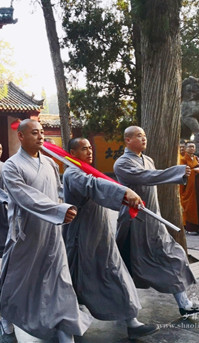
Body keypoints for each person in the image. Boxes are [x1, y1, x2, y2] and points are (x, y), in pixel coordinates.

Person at [0, 119, 92, 342]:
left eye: (42, 133)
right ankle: (7, 316)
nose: (41, 137)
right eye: (34, 133)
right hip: (26, 234)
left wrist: (64, 210)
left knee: (60, 281)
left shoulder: (50, 164)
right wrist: (58, 210)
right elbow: (26, 197)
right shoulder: (11, 166)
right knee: (17, 280)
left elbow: (58, 193)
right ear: (21, 136)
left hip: (52, 232)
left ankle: (64, 331)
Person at [62, 138, 158, 340]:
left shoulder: (87, 170)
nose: (89, 151)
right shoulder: (73, 173)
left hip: (101, 234)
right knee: (74, 277)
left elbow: (99, 183)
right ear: (72, 152)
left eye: (90, 147)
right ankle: (67, 321)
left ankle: (131, 321)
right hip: (82, 237)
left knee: (115, 272)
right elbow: (93, 185)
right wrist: (124, 191)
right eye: (83, 148)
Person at [114, 126, 199, 318]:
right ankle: (125, 311)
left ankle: (185, 304)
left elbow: (153, 175)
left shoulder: (147, 160)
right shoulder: (122, 164)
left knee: (174, 257)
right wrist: (176, 172)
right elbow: (146, 177)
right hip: (135, 223)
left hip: (154, 220)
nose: (144, 139)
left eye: (144, 135)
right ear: (127, 140)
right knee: (126, 266)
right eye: (139, 136)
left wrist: (176, 174)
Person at [179, 142, 199, 234]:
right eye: (189, 146)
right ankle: (191, 228)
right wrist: (194, 170)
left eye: (193, 147)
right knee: (190, 206)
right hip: (189, 188)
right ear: (186, 148)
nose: (192, 148)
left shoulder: (197, 158)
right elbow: (182, 172)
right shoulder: (183, 159)